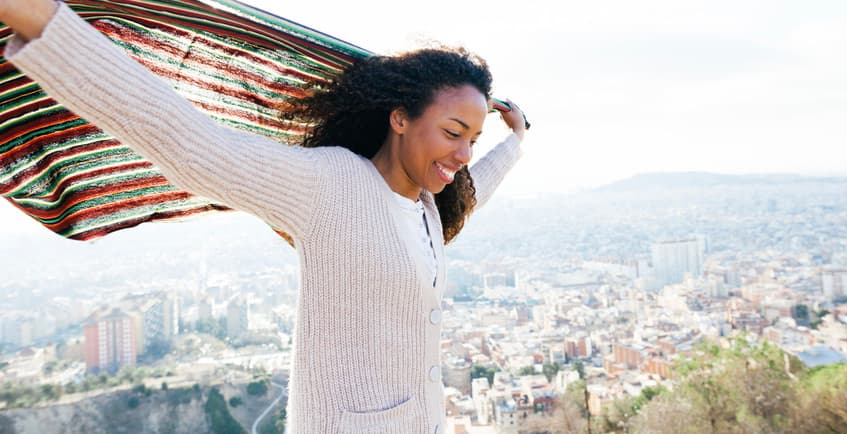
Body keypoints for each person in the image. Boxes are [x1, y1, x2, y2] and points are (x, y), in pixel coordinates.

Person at [1, 1, 526, 432]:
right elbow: (186, 139)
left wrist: (515, 142)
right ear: (400, 119)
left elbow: (474, 186)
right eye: (453, 133)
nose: (463, 154)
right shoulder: (330, 185)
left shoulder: (429, 209)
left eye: (473, 141)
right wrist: (44, 20)